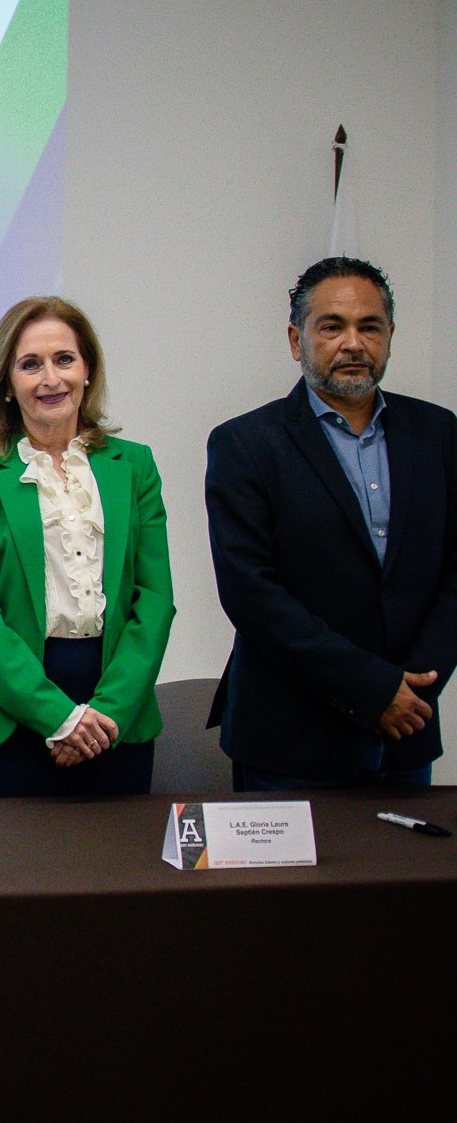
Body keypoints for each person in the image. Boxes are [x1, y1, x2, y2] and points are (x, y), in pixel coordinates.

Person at [206, 257, 456, 791]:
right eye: (332, 326)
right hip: (288, 741)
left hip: (405, 732)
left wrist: (414, 688)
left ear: (390, 336)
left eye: (370, 326)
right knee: (287, 881)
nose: (353, 343)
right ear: (297, 341)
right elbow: (252, 595)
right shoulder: (246, 445)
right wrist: (373, 690)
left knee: (407, 876)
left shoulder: (438, 434)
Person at [0, 297, 174, 796]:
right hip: (8, 712)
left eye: (65, 359)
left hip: (116, 712)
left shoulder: (135, 466)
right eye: (30, 365)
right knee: (8, 873)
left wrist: (105, 711)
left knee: (119, 870)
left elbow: (155, 602)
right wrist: (58, 716)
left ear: (88, 370)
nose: (51, 379)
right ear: (7, 384)